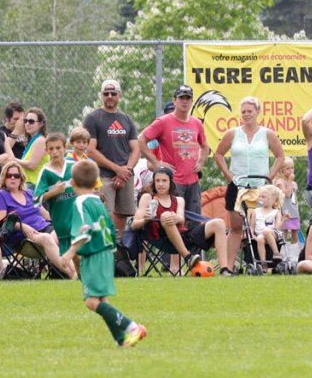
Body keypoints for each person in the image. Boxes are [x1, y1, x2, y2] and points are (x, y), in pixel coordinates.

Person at [61, 160, 147, 348]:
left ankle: (131, 327)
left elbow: (84, 231)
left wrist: (69, 253)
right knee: (102, 300)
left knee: (91, 302)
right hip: (107, 254)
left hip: (94, 255)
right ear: (96, 183)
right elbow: (109, 227)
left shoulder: (80, 203)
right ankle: (120, 339)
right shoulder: (98, 201)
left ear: (72, 183)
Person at [211, 96, 285, 275]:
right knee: (236, 228)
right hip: (238, 186)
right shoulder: (232, 133)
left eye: (250, 111)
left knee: (262, 226)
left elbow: (280, 156)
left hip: (260, 187)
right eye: (243, 111)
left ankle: (266, 264)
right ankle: (227, 267)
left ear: (257, 112)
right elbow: (218, 154)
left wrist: (269, 177)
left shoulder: (267, 133)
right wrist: (228, 175)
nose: (246, 114)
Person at [130, 167, 229, 273]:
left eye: (164, 181)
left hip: (182, 236)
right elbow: (134, 225)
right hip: (161, 239)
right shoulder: (147, 198)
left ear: (170, 182)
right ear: (153, 183)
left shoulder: (178, 200)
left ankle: (225, 269)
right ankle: (188, 257)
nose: (160, 184)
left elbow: (181, 219)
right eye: (157, 181)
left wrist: (175, 217)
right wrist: (145, 220)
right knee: (166, 216)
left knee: (219, 223)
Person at [0, 161, 75, 278]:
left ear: (21, 178)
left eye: (16, 175)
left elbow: (46, 215)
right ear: (3, 178)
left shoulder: (30, 193)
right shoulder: (1, 195)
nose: (13, 178)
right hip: (23, 237)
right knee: (47, 238)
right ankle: (72, 274)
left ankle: (69, 272)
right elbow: (0, 222)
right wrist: (23, 226)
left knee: (62, 233)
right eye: (9, 175)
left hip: (44, 228)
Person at [139, 84, 210, 213]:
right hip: (174, 182)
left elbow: (205, 146)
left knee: (194, 221)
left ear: (192, 102)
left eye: (188, 98)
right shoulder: (163, 122)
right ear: (174, 100)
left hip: (193, 182)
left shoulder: (197, 123)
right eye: (181, 98)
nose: (184, 101)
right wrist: (156, 163)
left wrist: (201, 162)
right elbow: (141, 140)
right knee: (174, 220)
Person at [33, 133, 97, 275]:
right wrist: (54, 192)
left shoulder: (74, 167)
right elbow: (36, 201)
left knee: (82, 252)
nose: (55, 152)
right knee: (76, 258)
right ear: (46, 150)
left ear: (65, 147)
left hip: (79, 217)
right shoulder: (45, 172)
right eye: (51, 149)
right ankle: (83, 281)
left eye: (58, 148)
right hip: (61, 222)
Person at [84, 80, 141, 234]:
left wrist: (125, 171)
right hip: (102, 175)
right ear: (101, 95)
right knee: (105, 214)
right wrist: (117, 169)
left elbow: (136, 149)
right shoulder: (93, 118)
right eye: (106, 93)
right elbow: (91, 150)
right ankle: (106, 246)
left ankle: (118, 247)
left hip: (125, 176)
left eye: (113, 93)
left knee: (122, 215)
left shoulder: (127, 119)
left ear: (119, 95)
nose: (110, 96)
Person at [5, 107, 50, 188]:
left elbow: (32, 165)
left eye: (31, 121)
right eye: (25, 121)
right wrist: (16, 131)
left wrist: (13, 160)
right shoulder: (32, 140)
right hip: (28, 184)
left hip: (35, 186)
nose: (27, 124)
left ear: (40, 124)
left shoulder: (40, 140)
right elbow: (5, 146)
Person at [251, 185, 284, 272]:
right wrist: (252, 234)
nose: (260, 199)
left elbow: (277, 227)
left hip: (273, 234)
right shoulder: (255, 211)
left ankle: (276, 253)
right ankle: (263, 263)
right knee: (259, 238)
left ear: (272, 199)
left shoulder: (276, 212)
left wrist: (284, 220)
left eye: (263, 197)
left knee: (266, 231)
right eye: (259, 197)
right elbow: (252, 225)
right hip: (261, 235)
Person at [274, 158, 300, 243]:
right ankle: (283, 250)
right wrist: (290, 181)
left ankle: (295, 250)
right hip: (284, 213)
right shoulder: (280, 182)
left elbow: (294, 199)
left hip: (294, 212)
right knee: (283, 234)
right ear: (281, 170)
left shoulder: (294, 183)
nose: (291, 170)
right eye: (288, 168)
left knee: (295, 235)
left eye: (292, 168)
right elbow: (287, 195)